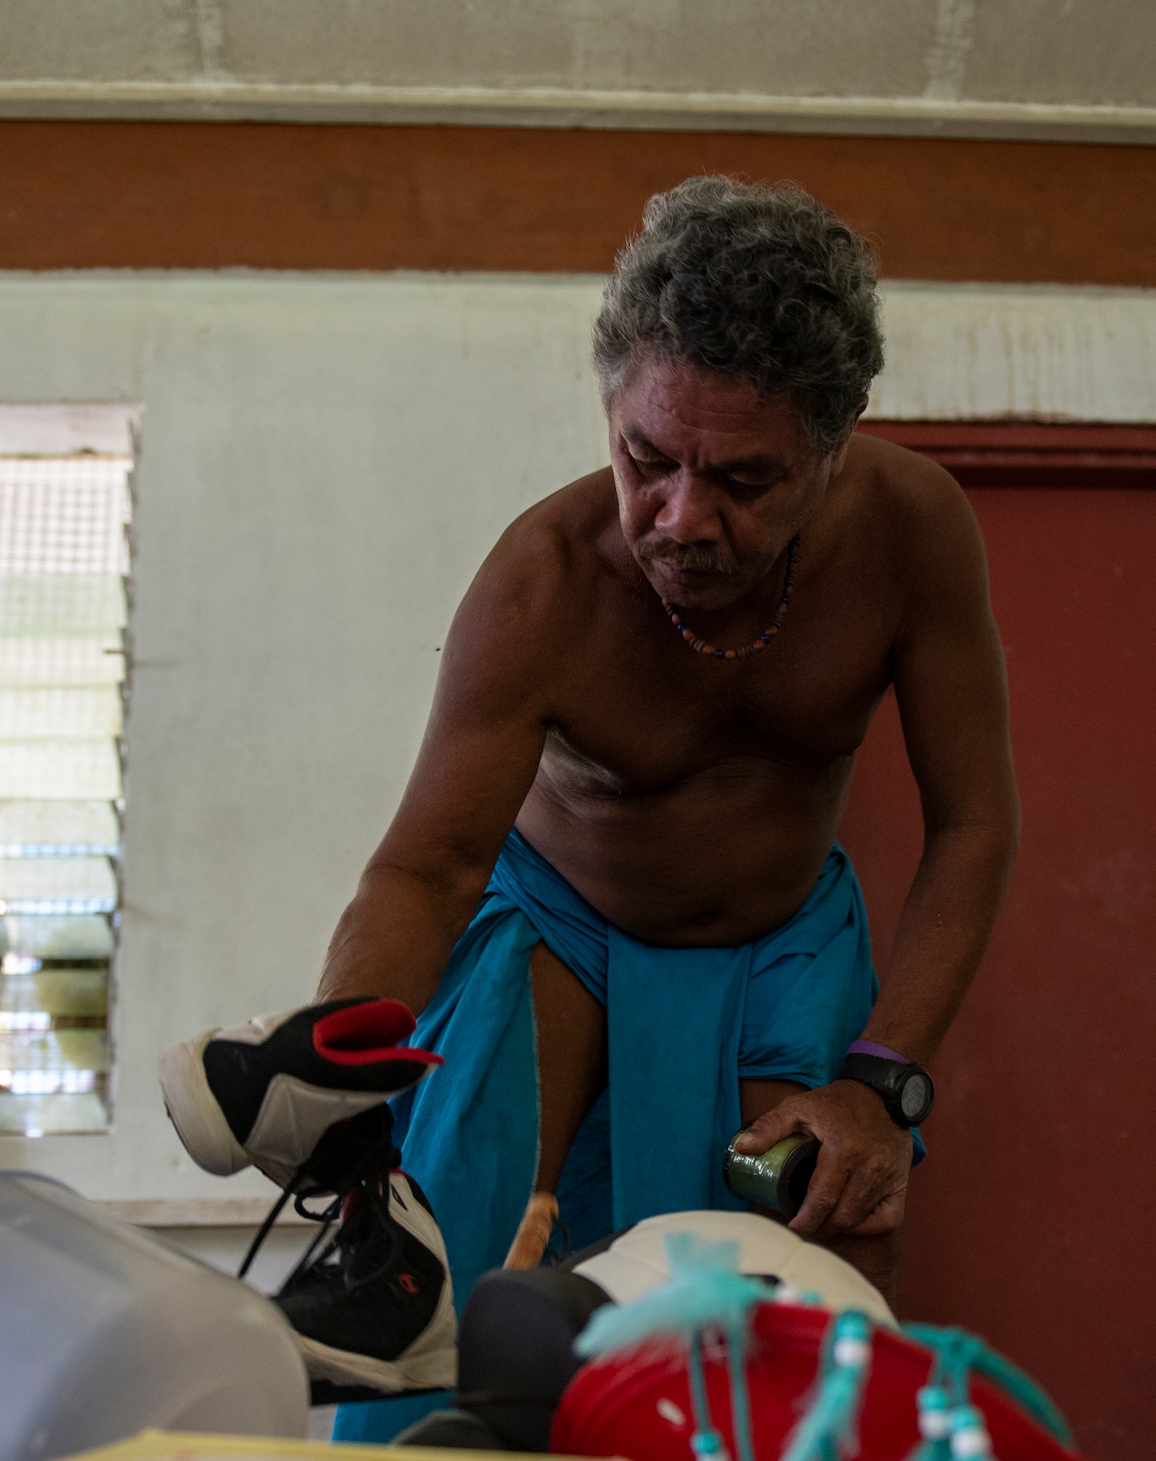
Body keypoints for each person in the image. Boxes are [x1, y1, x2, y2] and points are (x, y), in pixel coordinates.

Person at [161, 176, 1019, 1390]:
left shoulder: (914, 529)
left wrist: (888, 1080)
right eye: (646, 458)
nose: (682, 518)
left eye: (744, 480)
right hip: (559, 917)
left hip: (784, 936)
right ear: (610, 408)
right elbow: (431, 860)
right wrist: (345, 1046)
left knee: (815, 1292)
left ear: (838, 436)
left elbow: (975, 822)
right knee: (433, 1280)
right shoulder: (542, 586)